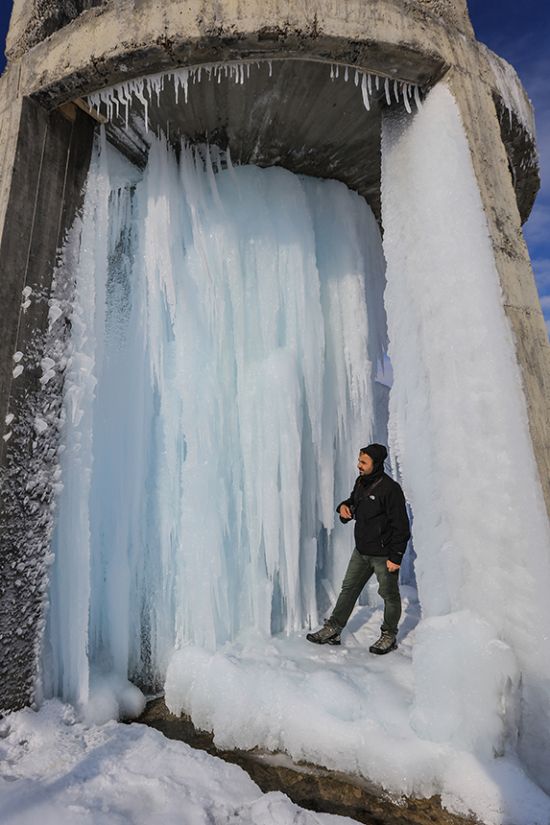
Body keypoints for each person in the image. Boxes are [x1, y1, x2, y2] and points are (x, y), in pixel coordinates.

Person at [307, 443, 410, 654]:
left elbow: (401, 527)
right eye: (358, 461)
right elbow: (354, 503)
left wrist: (396, 557)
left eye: (363, 462)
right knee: (348, 589)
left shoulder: (391, 490)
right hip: (362, 551)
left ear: (376, 463)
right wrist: (344, 508)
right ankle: (334, 628)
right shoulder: (361, 483)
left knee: (389, 595)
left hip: (384, 555)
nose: (358, 465)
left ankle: (389, 635)